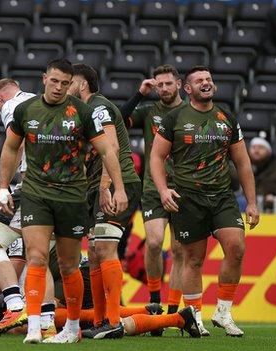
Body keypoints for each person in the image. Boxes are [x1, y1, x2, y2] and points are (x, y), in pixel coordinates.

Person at [0, 58, 128, 344]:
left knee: (68, 265)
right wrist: (3, 187)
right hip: (36, 194)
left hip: (71, 197)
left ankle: (72, 327)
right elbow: (10, 147)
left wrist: (119, 189)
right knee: (36, 255)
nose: (59, 87)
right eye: (54, 81)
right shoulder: (25, 110)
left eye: (65, 83)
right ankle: (33, 326)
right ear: (44, 79)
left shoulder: (83, 112)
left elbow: (107, 151)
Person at [150, 66, 260, 337]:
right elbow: (156, 158)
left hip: (222, 196)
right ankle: (194, 315)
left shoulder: (227, 118)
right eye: (199, 80)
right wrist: (164, 190)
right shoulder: (174, 118)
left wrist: (252, 202)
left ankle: (223, 312)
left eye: (209, 79)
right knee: (194, 259)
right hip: (188, 197)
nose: (206, 83)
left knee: (236, 247)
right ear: (187, 88)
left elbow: (243, 162)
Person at [66, 64, 142, 339]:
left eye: (69, 81)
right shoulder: (83, 112)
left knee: (106, 248)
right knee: (96, 252)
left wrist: (107, 188)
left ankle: (113, 320)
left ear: (82, 84)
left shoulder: (99, 107)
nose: (65, 86)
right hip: (98, 189)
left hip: (115, 185)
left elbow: (113, 148)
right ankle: (100, 320)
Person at [121, 64, 188, 335]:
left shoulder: (191, 113)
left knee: (181, 251)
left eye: (168, 84)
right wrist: (139, 94)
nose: (163, 89)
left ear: (180, 84)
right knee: (154, 244)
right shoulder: (150, 112)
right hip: (153, 188)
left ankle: (172, 311)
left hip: (184, 189)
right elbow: (118, 119)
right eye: (159, 85)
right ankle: (154, 301)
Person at [0, 79, 35, 334]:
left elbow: (16, 145)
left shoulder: (12, 106)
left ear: (0, 98)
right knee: (41, 256)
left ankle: (15, 306)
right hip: (66, 188)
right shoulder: (40, 101)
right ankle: (43, 321)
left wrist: (3, 187)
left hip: (32, 185)